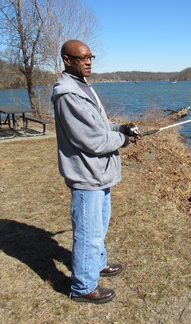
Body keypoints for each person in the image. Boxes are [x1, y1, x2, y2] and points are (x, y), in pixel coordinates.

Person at [52, 40, 139, 304]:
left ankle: (97, 264)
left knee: (98, 228)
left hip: (99, 174)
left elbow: (100, 126)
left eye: (91, 57)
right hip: (87, 176)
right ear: (67, 60)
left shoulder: (84, 86)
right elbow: (90, 139)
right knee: (87, 232)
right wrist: (123, 141)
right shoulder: (67, 94)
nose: (89, 62)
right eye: (82, 58)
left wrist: (121, 128)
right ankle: (83, 287)